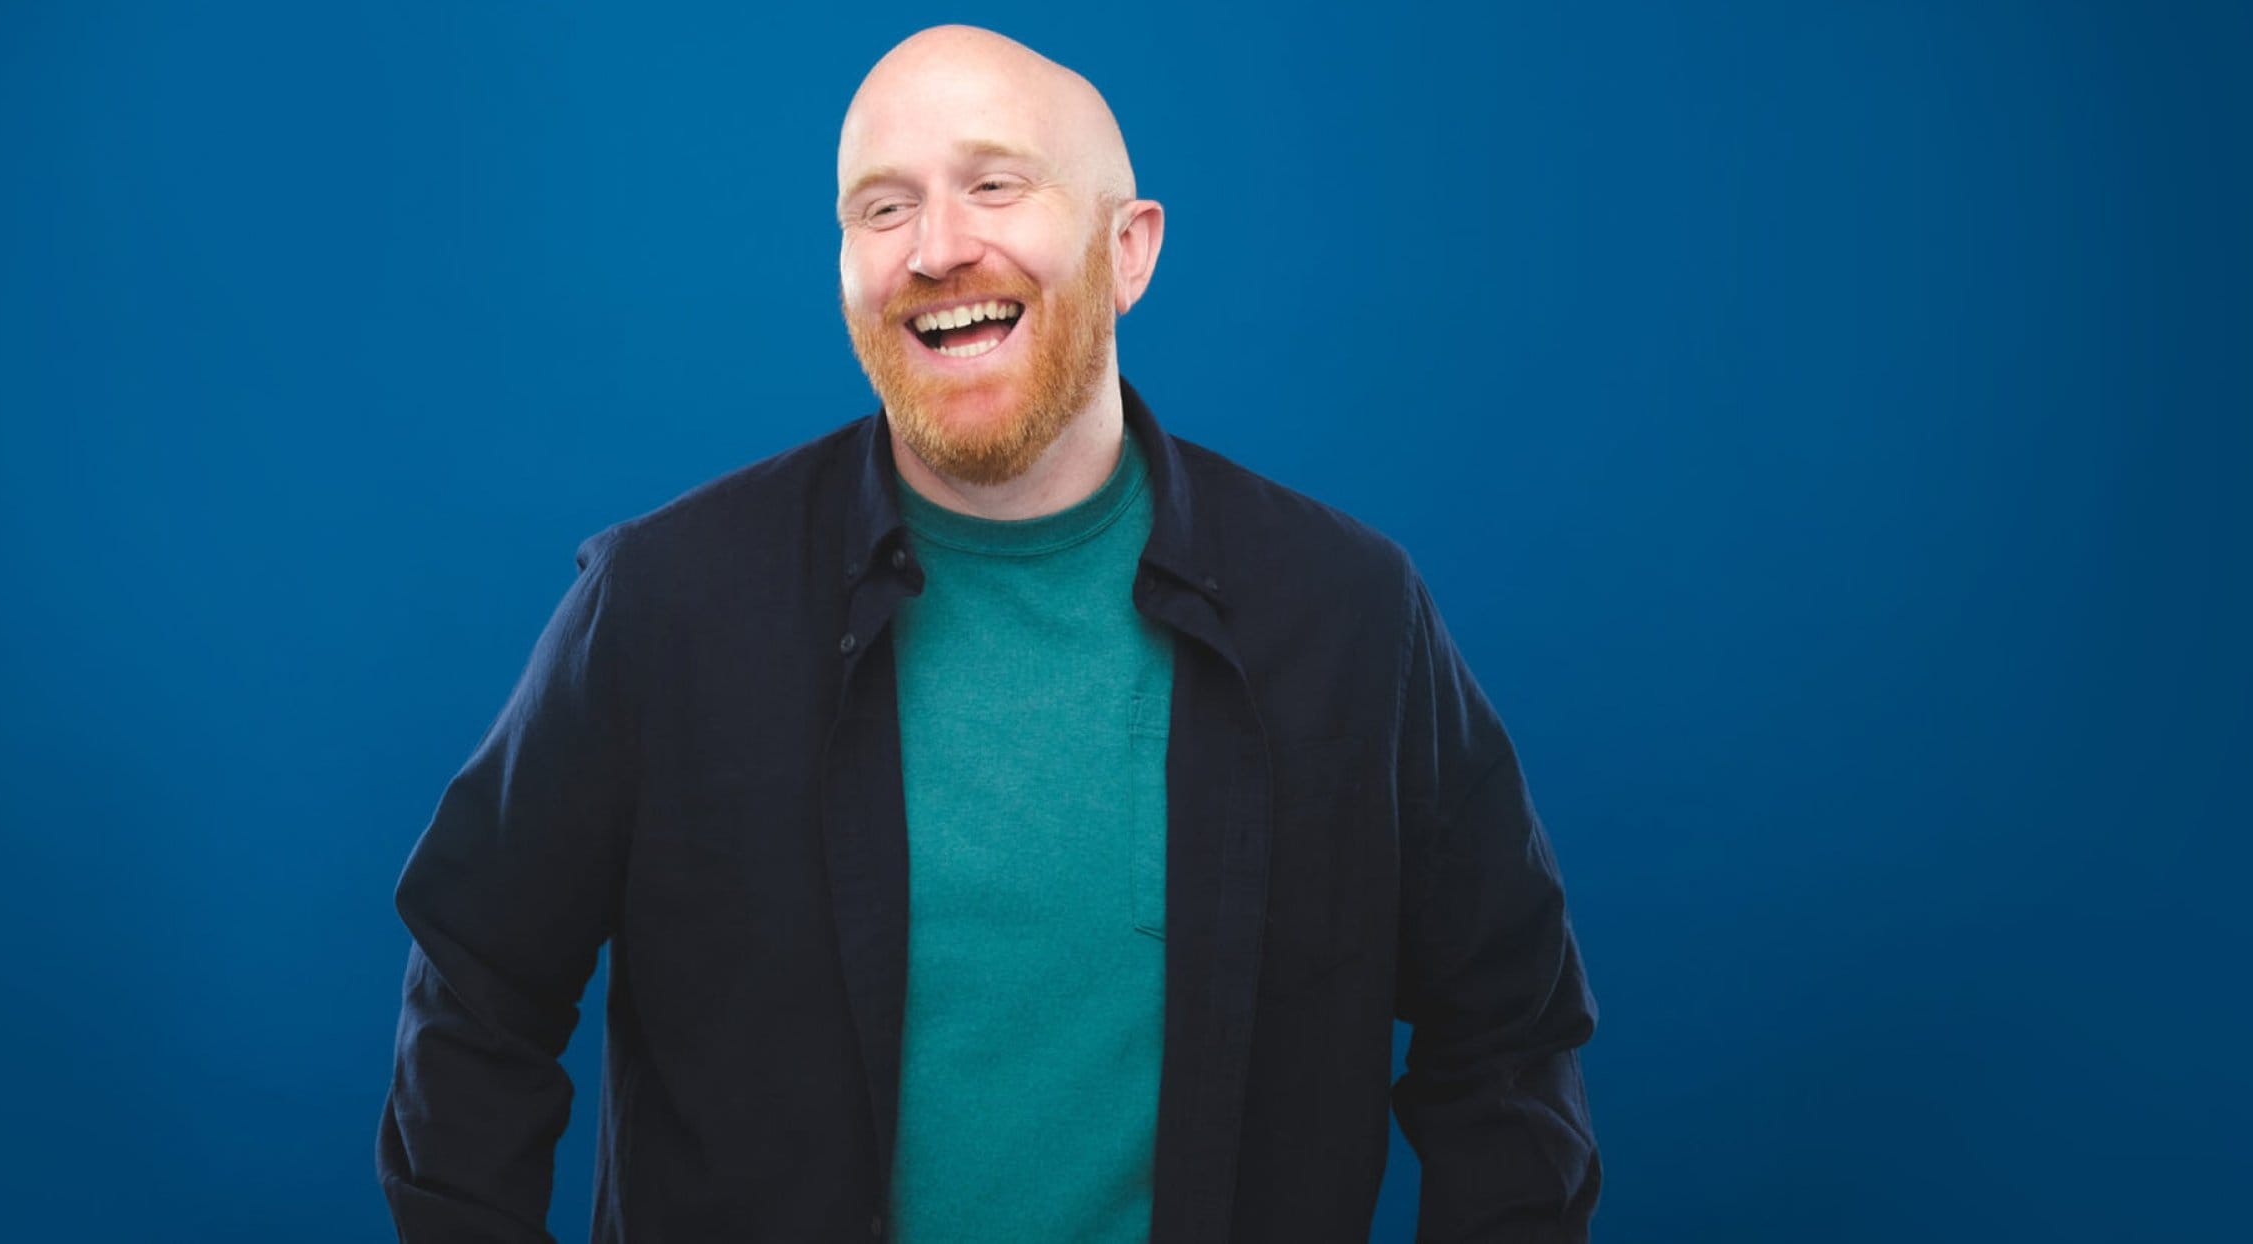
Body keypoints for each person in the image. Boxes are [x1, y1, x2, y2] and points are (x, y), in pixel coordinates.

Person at [379, 24, 1597, 1244]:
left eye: (995, 184)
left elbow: (1506, 1028)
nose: (938, 247)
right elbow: (475, 991)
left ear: (1129, 250)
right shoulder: (660, 604)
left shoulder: (1347, 614)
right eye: (882, 206)